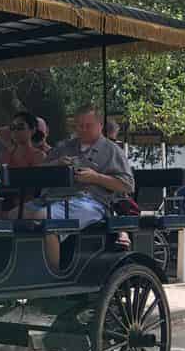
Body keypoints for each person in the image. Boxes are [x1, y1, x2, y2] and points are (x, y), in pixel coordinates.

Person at [23, 105, 135, 266]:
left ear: (100, 125)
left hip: (91, 203)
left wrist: (95, 178)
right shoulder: (63, 147)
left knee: (46, 218)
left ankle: (53, 277)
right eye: (79, 126)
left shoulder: (112, 151)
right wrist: (56, 164)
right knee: (11, 217)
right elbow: (37, 173)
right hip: (53, 199)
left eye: (88, 126)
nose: (83, 130)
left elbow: (127, 185)